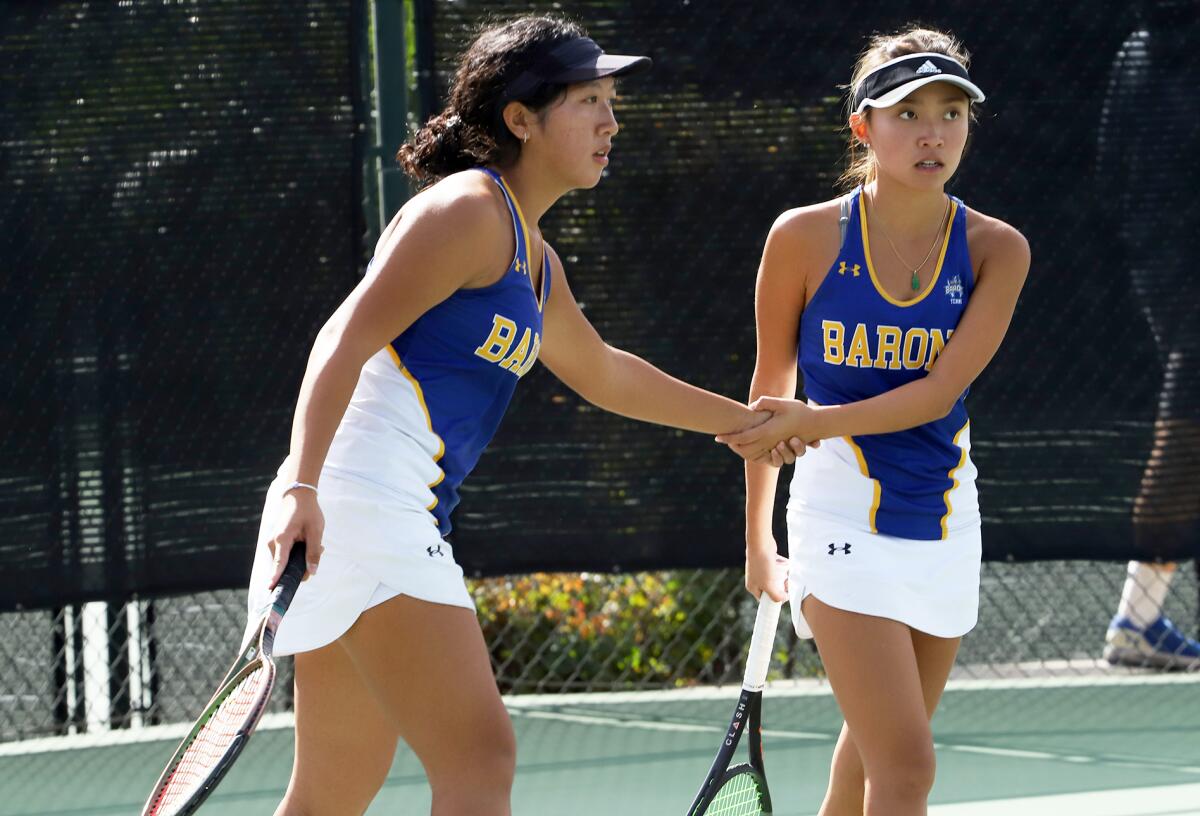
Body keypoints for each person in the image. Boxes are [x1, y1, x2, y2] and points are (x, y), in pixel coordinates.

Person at [242, 15, 802, 816]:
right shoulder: (467, 210)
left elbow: (605, 372)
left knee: (335, 787)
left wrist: (749, 421)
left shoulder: (532, 258)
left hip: (366, 510)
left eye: (612, 102)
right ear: (520, 119)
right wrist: (302, 487)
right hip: (359, 503)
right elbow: (344, 334)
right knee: (481, 760)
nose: (612, 122)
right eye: (588, 102)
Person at [717, 27, 1030, 815]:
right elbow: (769, 393)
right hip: (836, 520)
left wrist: (811, 421)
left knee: (867, 766)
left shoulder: (999, 250)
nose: (933, 133)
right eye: (907, 112)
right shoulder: (803, 237)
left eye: (952, 112)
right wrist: (760, 540)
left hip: (947, 523)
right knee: (908, 768)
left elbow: (936, 393)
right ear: (862, 126)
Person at [1097, 0, 1200, 671]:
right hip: (1175, 268)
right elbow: (1114, 176)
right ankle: (1136, 620)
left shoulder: (1139, 50)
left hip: (1156, 260)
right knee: (1187, 428)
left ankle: (1139, 620)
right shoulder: (1146, 53)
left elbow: (1111, 177)